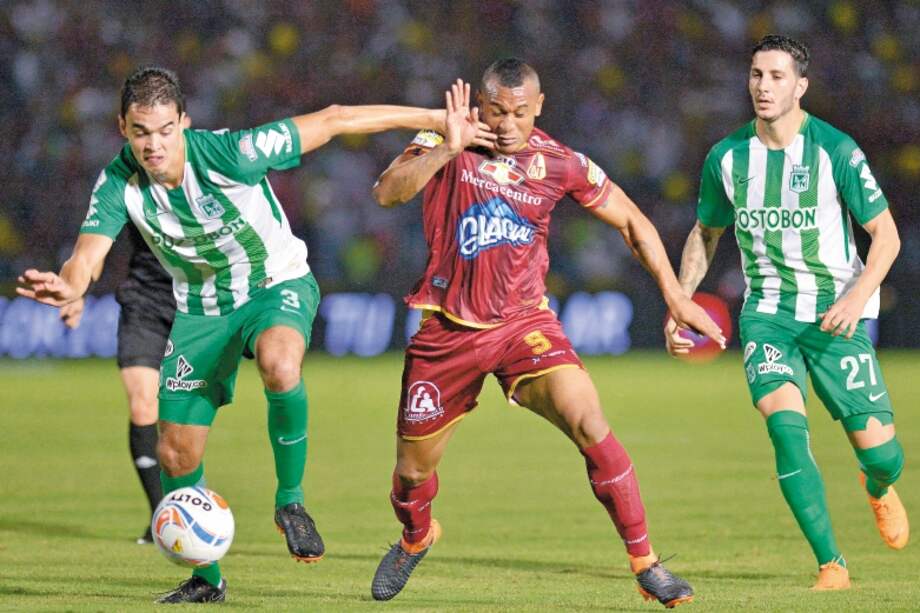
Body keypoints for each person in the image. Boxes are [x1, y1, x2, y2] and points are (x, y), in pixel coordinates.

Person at [17, 66, 491, 604]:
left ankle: (290, 501)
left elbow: (335, 120)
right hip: (200, 310)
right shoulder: (117, 183)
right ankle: (207, 579)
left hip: (274, 283)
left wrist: (434, 118)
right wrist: (66, 284)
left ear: (184, 123)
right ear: (122, 128)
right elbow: (87, 258)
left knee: (280, 364)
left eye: (165, 129)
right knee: (174, 452)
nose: (154, 144)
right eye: (140, 131)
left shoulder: (230, 153)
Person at [369, 63, 725, 608]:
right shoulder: (445, 136)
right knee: (412, 471)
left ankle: (646, 564)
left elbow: (632, 221)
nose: (507, 125)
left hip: (523, 325)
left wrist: (677, 297)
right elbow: (387, 193)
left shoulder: (559, 162)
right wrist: (447, 147)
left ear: (538, 107)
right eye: (496, 112)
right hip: (447, 331)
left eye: (519, 112)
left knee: (589, 419)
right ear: (480, 107)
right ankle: (416, 537)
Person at [665, 35, 907, 591]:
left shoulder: (835, 151)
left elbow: (886, 236)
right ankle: (831, 565)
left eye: (776, 76)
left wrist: (855, 296)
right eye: (756, 74)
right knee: (785, 431)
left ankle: (878, 487)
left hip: (834, 315)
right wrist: (680, 301)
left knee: (883, 455)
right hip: (767, 315)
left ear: (800, 86)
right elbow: (706, 232)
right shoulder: (727, 157)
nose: (763, 86)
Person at [59, 225, 175, 545]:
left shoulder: (207, 179)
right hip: (145, 300)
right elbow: (94, 247)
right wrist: (76, 289)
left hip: (201, 303)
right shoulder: (126, 182)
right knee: (142, 402)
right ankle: (160, 518)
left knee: (183, 421)